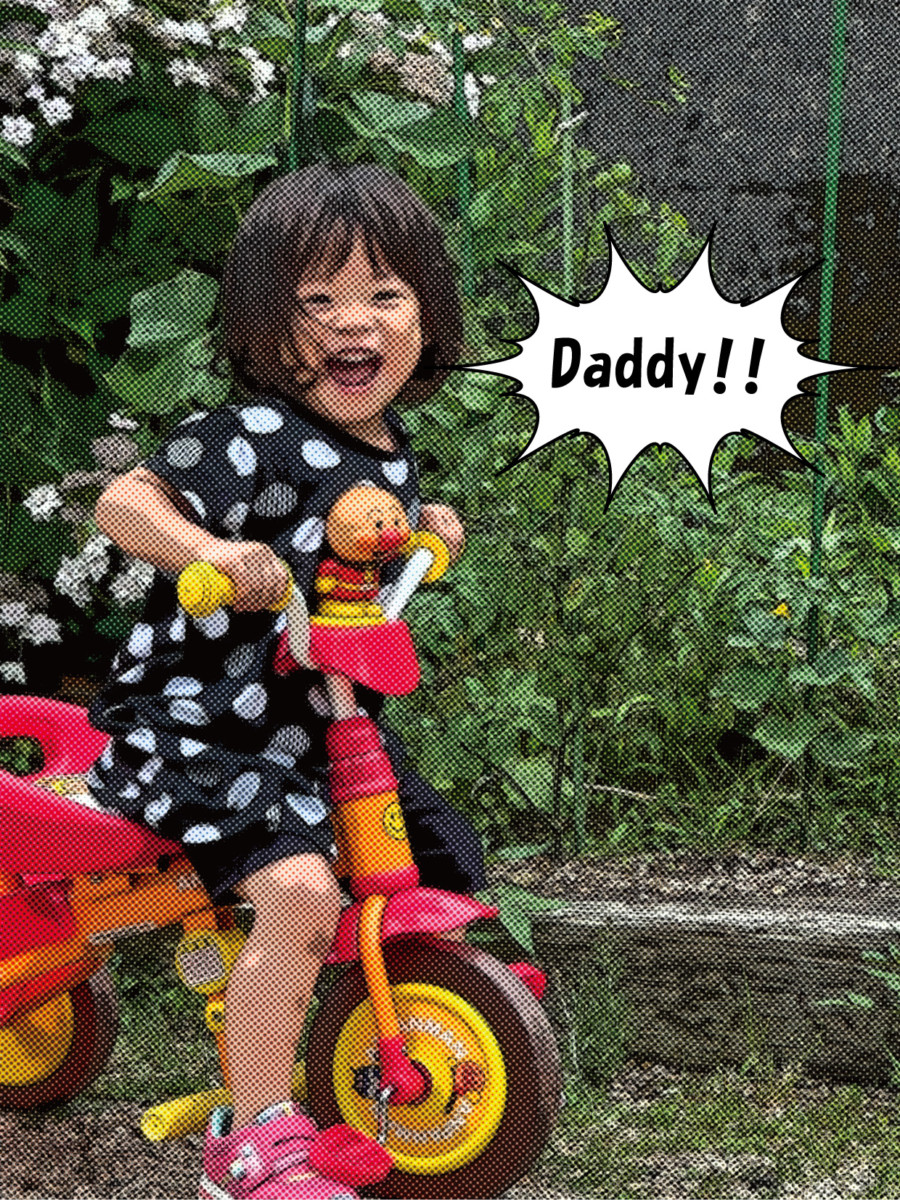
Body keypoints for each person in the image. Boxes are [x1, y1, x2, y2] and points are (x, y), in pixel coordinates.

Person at [86, 161, 486, 1200]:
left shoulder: (386, 447)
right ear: (268, 321)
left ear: (427, 318)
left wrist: (426, 527)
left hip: (319, 731)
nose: (352, 322)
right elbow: (125, 502)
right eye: (317, 300)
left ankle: (412, 1025)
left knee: (440, 854)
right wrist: (207, 549)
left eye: (384, 295)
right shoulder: (249, 436)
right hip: (202, 732)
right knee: (303, 892)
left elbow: (352, 539)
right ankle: (251, 1136)